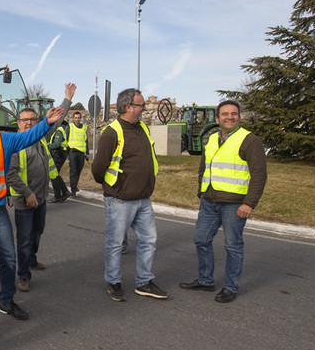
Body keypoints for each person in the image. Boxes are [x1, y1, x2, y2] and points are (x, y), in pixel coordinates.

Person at [0, 84, 73, 321]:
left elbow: (36, 132)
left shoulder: (4, 140)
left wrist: (53, 115)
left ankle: (7, 300)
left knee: (9, 255)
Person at [180, 100, 267, 303]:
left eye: (234, 114)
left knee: (233, 246)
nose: (230, 117)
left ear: (239, 117)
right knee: (201, 239)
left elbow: (259, 174)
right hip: (210, 201)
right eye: (225, 114)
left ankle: (230, 286)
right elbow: (204, 168)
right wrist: (201, 192)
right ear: (217, 118)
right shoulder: (211, 139)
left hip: (235, 204)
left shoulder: (249, 140)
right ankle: (206, 280)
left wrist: (249, 203)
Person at [91, 88, 168, 302]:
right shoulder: (112, 132)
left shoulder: (142, 127)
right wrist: (112, 187)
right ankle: (113, 282)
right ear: (128, 107)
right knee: (115, 243)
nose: (143, 108)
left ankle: (144, 281)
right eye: (140, 105)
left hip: (143, 199)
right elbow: (98, 168)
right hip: (120, 200)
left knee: (149, 240)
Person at [6, 107, 61, 292]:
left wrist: (68, 99)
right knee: (24, 239)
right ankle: (23, 275)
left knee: (37, 232)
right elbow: (10, 174)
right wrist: (27, 194)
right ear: (18, 123)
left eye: (32, 119)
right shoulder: (15, 144)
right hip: (24, 200)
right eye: (25, 120)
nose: (29, 122)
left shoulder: (40, 140)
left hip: (41, 197)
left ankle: (32, 259)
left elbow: (57, 120)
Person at [66, 110, 89, 196]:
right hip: (72, 152)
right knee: (73, 171)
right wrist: (66, 151)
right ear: (73, 118)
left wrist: (87, 152)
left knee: (79, 171)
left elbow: (86, 141)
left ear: (81, 118)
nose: (77, 119)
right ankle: (73, 189)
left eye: (79, 118)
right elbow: (66, 138)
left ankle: (75, 185)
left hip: (81, 153)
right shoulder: (70, 126)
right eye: (76, 118)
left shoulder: (84, 128)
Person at [47, 123, 70, 202]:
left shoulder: (59, 131)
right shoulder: (60, 131)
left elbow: (57, 144)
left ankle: (57, 196)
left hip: (58, 154)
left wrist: (47, 146)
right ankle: (65, 192)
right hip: (60, 154)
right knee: (55, 174)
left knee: (54, 175)